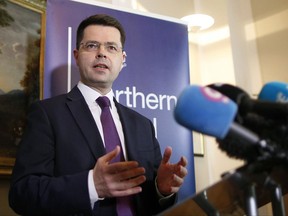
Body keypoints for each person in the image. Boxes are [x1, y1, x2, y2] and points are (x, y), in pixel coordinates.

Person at [9, 14, 188, 216]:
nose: (102, 53)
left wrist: (161, 189)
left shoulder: (143, 125)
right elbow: (21, 193)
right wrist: (92, 186)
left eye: (111, 47)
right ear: (76, 55)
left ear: (123, 59)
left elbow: (150, 202)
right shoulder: (47, 114)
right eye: (92, 45)